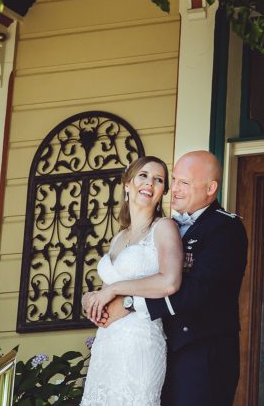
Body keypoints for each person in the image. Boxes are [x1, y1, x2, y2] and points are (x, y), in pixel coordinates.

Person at [95, 150, 248, 406]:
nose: (174, 189)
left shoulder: (225, 228)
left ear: (211, 188)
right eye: (174, 179)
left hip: (201, 353)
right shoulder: (163, 227)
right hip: (158, 351)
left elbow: (199, 289)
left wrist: (129, 303)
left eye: (184, 183)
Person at [80, 155, 182, 406]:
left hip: (140, 341)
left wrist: (114, 289)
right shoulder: (119, 238)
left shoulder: (164, 227)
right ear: (127, 184)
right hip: (107, 343)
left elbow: (169, 282)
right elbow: (107, 294)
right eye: (143, 176)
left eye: (158, 179)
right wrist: (90, 299)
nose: (150, 183)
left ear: (162, 192)